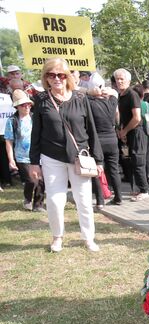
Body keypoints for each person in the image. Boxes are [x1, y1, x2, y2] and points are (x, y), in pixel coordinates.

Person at [29, 57, 104, 253]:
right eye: (51, 75)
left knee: (84, 200)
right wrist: (34, 162)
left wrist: (99, 159)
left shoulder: (81, 98)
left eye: (60, 75)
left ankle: (88, 238)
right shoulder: (41, 100)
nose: (56, 79)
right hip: (51, 156)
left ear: (67, 77)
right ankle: (57, 237)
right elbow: (35, 132)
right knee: (54, 200)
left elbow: (92, 131)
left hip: (80, 157)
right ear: (46, 78)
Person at [4, 89, 45, 212]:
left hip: (38, 154)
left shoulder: (35, 117)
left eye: (28, 104)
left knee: (41, 180)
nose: (27, 107)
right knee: (31, 180)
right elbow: (9, 141)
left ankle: (38, 205)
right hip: (22, 157)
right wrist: (11, 160)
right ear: (17, 106)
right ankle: (28, 199)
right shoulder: (12, 121)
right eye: (23, 105)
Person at [87, 76, 123, 207]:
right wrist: (107, 91)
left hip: (98, 141)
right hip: (112, 139)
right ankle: (118, 197)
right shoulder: (112, 101)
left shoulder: (89, 103)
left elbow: (80, 94)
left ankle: (100, 201)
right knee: (114, 170)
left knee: (97, 170)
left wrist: (91, 92)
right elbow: (115, 93)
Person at [114, 68, 149, 201]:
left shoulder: (132, 94)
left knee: (138, 161)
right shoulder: (121, 95)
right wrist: (121, 130)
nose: (119, 81)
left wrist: (125, 130)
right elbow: (123, 116)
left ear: (128, 80)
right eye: (117, 79)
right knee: (132, 161)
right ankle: (139, 189)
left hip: (137, 132)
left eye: (122, 79)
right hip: (128, 133)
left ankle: (144, 190)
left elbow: (137, 118)